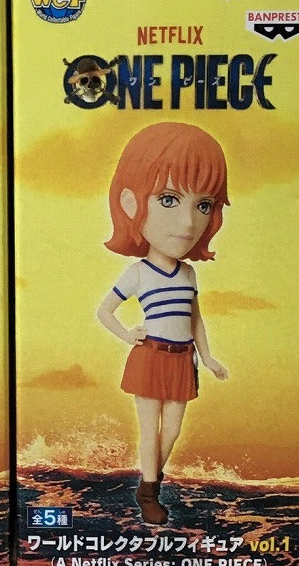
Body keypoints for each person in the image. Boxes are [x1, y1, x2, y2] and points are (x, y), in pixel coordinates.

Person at [96, 122, 230, 525]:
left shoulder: (189, 273)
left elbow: (195, 318)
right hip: (150, 356)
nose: (188, 223)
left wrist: (208, 357)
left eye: (203, 205)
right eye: (169, 199)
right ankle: (150, 494)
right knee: (148, 430)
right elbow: (104, 311)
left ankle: (149, 480)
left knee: (170, 432)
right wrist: (128, 335)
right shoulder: (138, 272)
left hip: (182, 359)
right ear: (131, 203)